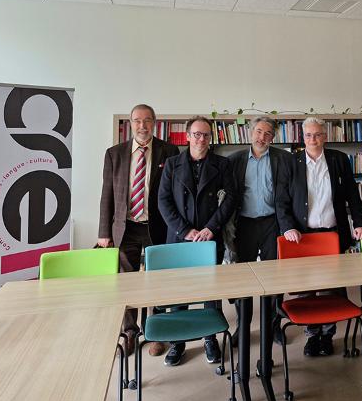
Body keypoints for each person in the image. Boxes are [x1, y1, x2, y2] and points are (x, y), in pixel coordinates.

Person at [278, 116, 362, 357]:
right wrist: (287, 226)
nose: (313, 139)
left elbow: (352, 194)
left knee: (332, 288)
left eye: (318, 134)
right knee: (307, 290)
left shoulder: (339, 159)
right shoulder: (291, 162)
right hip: (303, 237)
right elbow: (282, 200)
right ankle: (311, 335)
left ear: (325, 136)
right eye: (308, 135)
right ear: (302, 138)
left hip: (332, 234)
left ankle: (328, 335)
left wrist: (359, 222)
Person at [98, 103, 179, 356]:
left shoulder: (169, 151)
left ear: (154, 123)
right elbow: (107, 195)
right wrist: (104, 232)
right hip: (125, 227)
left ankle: (155, 330)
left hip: (158, 226)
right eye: (137, 121)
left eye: (147, 120)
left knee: (158, 280)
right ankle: (130, 332)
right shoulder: (115, 154)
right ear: (130, 124)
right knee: (127, 282)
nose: (142, 126)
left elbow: (174, 194)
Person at [157, 116, 236, 367]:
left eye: (206, 135)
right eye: (197, 134)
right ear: (188, 136)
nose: (202, 139)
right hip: (180, 238)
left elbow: (231, 199)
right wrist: (185, 231)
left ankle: (209, 338)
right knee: (179, 292)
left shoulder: (222, 164)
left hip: (209, 237)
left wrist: (211, 228)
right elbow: (163, 201)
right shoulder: (171, 164)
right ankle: (177, 343)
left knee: (210, 292)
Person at [229, 116, 294, 344]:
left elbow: (290, 195)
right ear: (250, 132)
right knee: (242, 278)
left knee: (274, 278)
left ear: (273, 137)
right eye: (258, 131)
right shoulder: (235, 160)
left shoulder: (284, 159)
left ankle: (273, 326)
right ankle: (242, 327)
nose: (262, 137)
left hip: (272, 223)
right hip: (244, 224)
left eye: (267, 133)